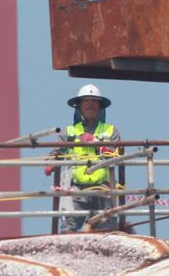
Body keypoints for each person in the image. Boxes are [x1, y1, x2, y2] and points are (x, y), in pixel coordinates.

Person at [45, 84, 121, 231]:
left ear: (100, 106)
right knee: (69, 229)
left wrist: (95, 143)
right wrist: (50, 163)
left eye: (94, 100)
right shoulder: (70, 132)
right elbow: (55, 153)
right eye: (86, 100)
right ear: (79, 106)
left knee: (107, 232)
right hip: (76, 189)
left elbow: (115, 154)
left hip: (103, 188)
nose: (90, 104)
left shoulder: (111, 131)